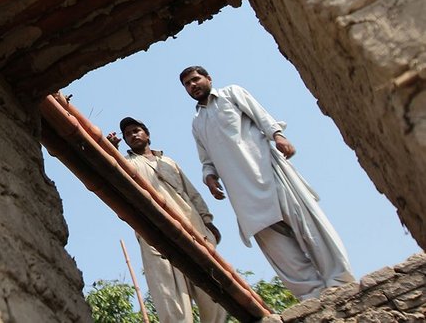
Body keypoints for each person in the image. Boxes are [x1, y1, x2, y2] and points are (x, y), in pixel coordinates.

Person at [178, 66, 355, 300]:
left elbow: (261, 116)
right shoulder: (197, 122)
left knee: (309, 226)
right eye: (187, 84)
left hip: (267, 171)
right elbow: (206, 158)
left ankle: (339, 281)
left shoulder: (231, 93)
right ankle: (312, 296)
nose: (192, 86)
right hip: (241, 193)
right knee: (277, 247)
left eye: (195, 79)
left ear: (209, 78)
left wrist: (278, 135)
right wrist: (209, 177)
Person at [107, 117, 227, 323]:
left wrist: (207, 221)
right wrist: (111, 152)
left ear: (147, 134)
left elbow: (192, 193)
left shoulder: (169, 162)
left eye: (136, 130)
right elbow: (115, 179)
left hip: (192, 226)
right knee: (170, 292)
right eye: (128, 134)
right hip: (154, 231)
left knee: (213, 287)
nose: (133, 135)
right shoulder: (127, 163)